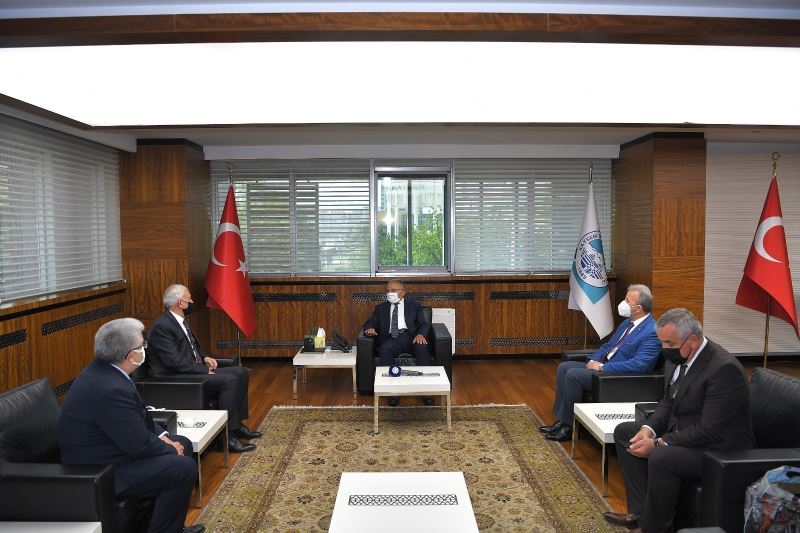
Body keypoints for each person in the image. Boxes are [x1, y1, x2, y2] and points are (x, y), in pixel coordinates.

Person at [604, 308, 754, 533]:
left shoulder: (724, 369)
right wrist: (648, 429)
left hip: (719, 449)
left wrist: (659, 443)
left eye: (669, 343)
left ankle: (654, 528)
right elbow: (668, 401)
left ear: (691, 340)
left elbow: (710, 430)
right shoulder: (678, 358)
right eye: (662, 342)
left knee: (661, 456)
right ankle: (640, 513)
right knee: (626, 432)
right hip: (687, 431)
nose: (664, 349)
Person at [59, 318, 205, 533]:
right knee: (183, 468)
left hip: (115, 449)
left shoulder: (106, 372)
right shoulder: (110, 389)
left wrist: (163, 437)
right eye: (142, 345)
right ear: (130, 356)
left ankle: (168, 524)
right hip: (101, 470)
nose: (145, 348)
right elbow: (139, 445)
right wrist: (168, 448)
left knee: (183, 442)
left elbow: (139, 418)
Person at [146, 284, 260, 453]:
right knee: (229, 380)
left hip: (191, 369)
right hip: (175, 376)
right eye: (189, 299)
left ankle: (236, 426)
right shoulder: (162, 326)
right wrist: (203, 370)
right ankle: (226, 438)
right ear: (180, 303)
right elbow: (173, 361)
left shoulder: (178, 321)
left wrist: (204, 357)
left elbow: (190, 347)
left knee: (241, 372)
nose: (192, 302)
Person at [541, 284, 661, 442]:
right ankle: (563, 420)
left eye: (627, 300)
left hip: (616, 376)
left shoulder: (652, 331)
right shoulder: (627, 323)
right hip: (604, 366)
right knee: (564, 367)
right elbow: (608, 345)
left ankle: (569, 427)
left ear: (638, 308)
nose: (623, 303)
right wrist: (594, 360)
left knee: (573, 375)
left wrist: (602, 367)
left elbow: (639, 365)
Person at [363, 279, 432, 406]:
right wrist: (370, 328)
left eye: (393, 290)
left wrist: (420, 334)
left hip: (411, 337)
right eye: (388, 291)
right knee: (384, 349)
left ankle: (426, 390)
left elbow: (423, 324)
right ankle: (393, 391)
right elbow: (371, 322)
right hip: (391, 338)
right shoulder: (381, 308)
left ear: (403, 292)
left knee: (422, 347)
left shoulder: (414, 306)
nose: (390, 293)